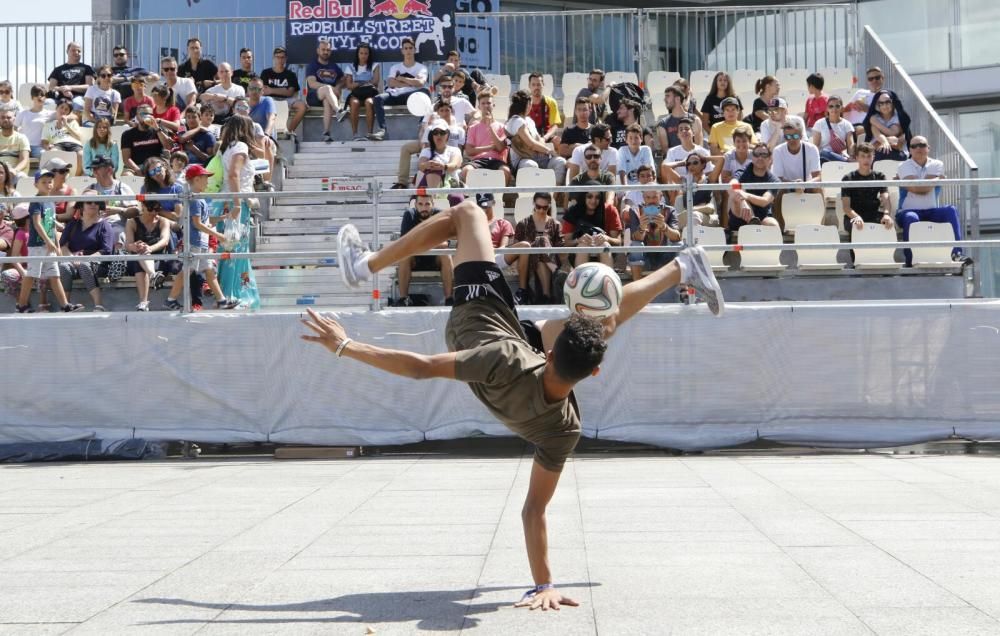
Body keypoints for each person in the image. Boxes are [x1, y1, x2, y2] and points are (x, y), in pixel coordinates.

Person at [312, 202, 723, 609]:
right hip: (503, 339)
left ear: (547, 353)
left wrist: (345, 344)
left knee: (469, 214)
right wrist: (543, 584)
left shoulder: (508, 357)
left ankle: (364, 266)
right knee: (604, 325)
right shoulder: (565, 431)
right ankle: (684, 267)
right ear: (590, 376)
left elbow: (421, 368)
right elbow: (533, 511)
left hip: (479, 317)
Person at [163, 164, 238, 310]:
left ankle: (222, 301)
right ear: (196, 180)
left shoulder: (199, 199)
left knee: (209, 270)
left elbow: (206, 221)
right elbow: (197, 224)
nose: (207, 182)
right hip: (195, 242)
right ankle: (170, 300)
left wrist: (224, 217)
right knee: (187, 271)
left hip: (200, 242)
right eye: (205, 178)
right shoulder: (196, 200)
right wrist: (218, 235)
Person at [15, 168, 84, 313]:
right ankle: (21, 304)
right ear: (36, 184)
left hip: (50, 246)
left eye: (50, 181)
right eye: (44, 182)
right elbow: (37, 223)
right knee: (31, 275)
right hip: (37, 246)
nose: (48, 184)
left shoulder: (50, 202)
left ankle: (65, 305)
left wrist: (57, 245)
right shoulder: (36, 201)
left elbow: (51, 224)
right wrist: (48, 242)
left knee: (55, 275)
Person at [214, 115, 260, 309]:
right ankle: (235, 294)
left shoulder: (225, 147)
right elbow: (234, 175)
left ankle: (227, 293)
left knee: (228, 249)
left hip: (224, 202)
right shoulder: (240, 146)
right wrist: (238, 203)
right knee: (236, 250)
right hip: (235, 203)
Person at [896, 136, 964, 266]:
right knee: (911, 217)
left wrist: (917, 184)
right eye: (914, 146)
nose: (918, 148)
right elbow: (921, 189)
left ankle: (956, 254)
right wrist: (937, 179)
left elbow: (921, 187)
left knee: (951, 210)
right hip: (907, 211)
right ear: (909, 150)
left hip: (931, 211)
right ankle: (911, 260)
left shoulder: (937, 164)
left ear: (928, 148)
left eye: (921, 145)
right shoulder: (903, 165)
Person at [58, 193, 116, 311]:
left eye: (97, 202)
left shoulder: (105, 226)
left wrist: (85, 259)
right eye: (89, 202)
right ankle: (67, 306)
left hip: (98, 264)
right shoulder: (73, 224)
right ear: (81, 205)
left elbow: (106, 251)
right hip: (74, 262)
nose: (93, 204)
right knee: (64, 267)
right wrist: (72, 258)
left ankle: (98, 305)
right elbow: (62, 245)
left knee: (84, 266)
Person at [393, 193, 454, 307]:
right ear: (415, 205)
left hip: (435, 258)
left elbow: (444, 243)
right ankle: (403, 298)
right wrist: (432, 241)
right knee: (404, 256)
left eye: (427, 204)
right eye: (420, 204)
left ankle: (449, 298)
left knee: (446, 254)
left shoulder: (440, 214)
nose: (424, 207)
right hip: (415, 258)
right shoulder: (409, 214)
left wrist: (418, 241)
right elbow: (405, 242)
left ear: (433, 204)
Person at [125, 199, 179, 311]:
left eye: (157, 209)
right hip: (138, 259)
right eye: (150, 209)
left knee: (142, 256)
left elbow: (165, 241)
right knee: (140, 257)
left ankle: (143, 303)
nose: (154, 212)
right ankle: (153, 276)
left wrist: (149, 248)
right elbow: (128, 245)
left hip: (158, 260)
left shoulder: (163, 221)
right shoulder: (132, 222)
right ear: (142, 206)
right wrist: (136, 246)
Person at [371, 38, 429, 141]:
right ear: (402, 51)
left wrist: (401, 79)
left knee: (425, 92)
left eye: (410, 48)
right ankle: (382, 130)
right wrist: (412, 82)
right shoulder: (395, 67)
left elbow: (420, 83)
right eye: (405, 48)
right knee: (378, 98)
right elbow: (391, 82)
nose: (408, 51)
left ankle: (422, 125)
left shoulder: (421, 68)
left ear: (414, 50)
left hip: (412, 97)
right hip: (395, 95)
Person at [505, 90, 566, 185]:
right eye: (530, 103)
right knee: (531, 165)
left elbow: (539, 139)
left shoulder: (529, 120)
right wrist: (549, 151)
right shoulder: (516, 121)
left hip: (539, 157)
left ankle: (554, 195)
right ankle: (535, 197)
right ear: (528, 104)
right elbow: (531, 144)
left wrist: (542, 149)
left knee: (560, 162)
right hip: (523, 160)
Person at [513, 192, 563, 304]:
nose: (541, 210)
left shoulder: (555, 224)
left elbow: (560, 249)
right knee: (540, 240)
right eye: (538, 207)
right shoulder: (523, 223)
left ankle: (546, 296)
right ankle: (555, 272)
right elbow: (516, 249)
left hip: (550, 260)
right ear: (533, 204)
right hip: (529, 263)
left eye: (544, 208)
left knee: (541, 244)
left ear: (549, 206)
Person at [624, 186, 681, 281]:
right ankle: (638, 287)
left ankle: (681, 289)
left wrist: (663, 226)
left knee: (680, 245)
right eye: (648, 197)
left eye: (654, 197)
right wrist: (642, 228)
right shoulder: (635, 210)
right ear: (643, 198)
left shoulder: (670, 210)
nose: (651, 201)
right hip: (645, 258)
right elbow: (636, 239)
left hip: (665, 256)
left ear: (661, 196)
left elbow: (677, 237)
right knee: (636, 245)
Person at [840, 142, 893, 241]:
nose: (866, 159)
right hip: (853, 215)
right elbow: (846, 207)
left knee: (888, 224)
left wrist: (886, 214)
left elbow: (886, 199)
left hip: (873, 214)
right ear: (857, 158)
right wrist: (856, 217)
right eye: (863, 156)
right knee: (856, 226)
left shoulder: (880, 176)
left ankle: (884, 255)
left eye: (869, 156)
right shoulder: (848, 178)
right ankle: (856, 256)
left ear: (873, 157)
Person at [561, 183, 622, 268]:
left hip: (606, 251)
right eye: (589, 196)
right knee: (583, 246)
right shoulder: (573, 212)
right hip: (578, 253)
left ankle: (607, 279)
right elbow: (566, 242)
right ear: (583, 196)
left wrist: (607, 238)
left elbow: (618, 241)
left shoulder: (610, 210)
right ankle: (581, 279)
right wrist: (578, 240)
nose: (593, 201)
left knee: (604, 245)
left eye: (597, 197)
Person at [728, 142, 781, 232]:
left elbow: (764, 201)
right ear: (752, 157)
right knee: (735, 194)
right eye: (756, 154)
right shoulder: (743, 173)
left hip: (762, 217)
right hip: (740, 216)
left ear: (770, 158)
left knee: (773, 224)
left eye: (764, 154)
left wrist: (746, 196)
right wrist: (743, 201)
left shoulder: (774, 180)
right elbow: (732, 185)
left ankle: (755, 224)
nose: (760, 158)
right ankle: (752, 223)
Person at [460, 91, 509, 185]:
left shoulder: (501, 127)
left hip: (496, 160)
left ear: (493, 105)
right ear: (479, 107)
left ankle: (499, 198)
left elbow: (500, 148)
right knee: (466, 170)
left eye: (489, 103)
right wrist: (490, 147)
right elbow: (469, 151)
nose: (486, 106)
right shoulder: (473, 127)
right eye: (483, 103)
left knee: (505, 171)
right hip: (478, 161)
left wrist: (490, 127)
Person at [305, 40, 346, 143]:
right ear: (318, 51)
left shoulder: (334, 66)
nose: (325, 52)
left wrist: (338, 86)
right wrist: (331, 88)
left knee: (327, 100)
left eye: (328, 50)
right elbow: (312, 84)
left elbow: (343, 81)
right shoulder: (313, 65)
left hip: (328, 97)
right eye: (323, 49)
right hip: (314, 96)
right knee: (327, 89)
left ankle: (326, 133)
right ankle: (338, 111)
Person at [260, 46, 307, 135]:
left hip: (286, 100)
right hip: (271, 100)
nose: (280, 60)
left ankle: (289, 131)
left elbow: (290, 92)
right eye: (278, 57)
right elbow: (264, 91)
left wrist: (271, 90)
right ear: (274, 58)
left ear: (286, 59)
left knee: (302, 106)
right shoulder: (266, 73)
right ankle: (266, 132)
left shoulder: (290, 74)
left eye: (282, 57)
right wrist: (282, 90)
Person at [343, 43, 381, 141]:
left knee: (369, 102)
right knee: (354, 103)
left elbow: (375, 82)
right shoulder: (350, 67)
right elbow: (349, 85)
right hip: (356, 94)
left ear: (369, 55)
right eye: (361, 53)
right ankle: (355, 134)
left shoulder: (375, 66)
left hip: (370, 93)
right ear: (357, 54)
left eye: (366, 53)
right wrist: (365, 82)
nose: (363, 56)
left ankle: (370, 133)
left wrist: (358, 82)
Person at [86, 154, 139, 222]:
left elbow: (135, 212)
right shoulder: (91, 188)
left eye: (96, 168)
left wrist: (118, 210)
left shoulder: (121, 187)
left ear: (109, 170)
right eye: (92, 169)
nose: (94, 172)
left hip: (116, 226)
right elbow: (81, 211)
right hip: (94, 227)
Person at [121, 104, 171, 175]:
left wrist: (157, 128)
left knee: (158, 172)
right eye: (143, 114)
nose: (147, 116)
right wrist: (138, 170)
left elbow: (168, 146)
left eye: (150, 114)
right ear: (137, 117)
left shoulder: (159, 130)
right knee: (127, 175)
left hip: (156, 165)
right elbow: (126, 159)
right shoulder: (128, 134)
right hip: (137, 166)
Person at [861, 89, 911, 162]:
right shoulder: (874, 118)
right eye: (881, 103)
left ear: (893, 102)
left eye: (887, 102)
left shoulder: (899, 118)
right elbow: (877, 134)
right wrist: (885, 141)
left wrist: (886, 140)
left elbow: (893, 132)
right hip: (876, 151)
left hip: (897, 151)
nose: (884, 106)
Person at [656, 85, 704, 153]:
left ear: (677, 99)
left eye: (668, 96)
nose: (664, 99)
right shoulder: (663, 124)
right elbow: (665, 150)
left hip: (693, 160)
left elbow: (699, 147)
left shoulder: (695, 120)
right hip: (674, 161)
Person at [47, 42, 95, 107]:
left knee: (77, 104)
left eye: (79, 51)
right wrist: (63, 89)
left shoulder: (87, 68)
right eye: (73, 50)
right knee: (47, 103)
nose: (76, 53)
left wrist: (70, 88)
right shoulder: (58, 69)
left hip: (78, 97)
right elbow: (51, 87)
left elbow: (90, 86)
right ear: (67, 51)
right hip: (59, 97)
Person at [416, 120, 463, 188]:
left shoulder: (455, 150)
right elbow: (421, 165)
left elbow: (455, 165)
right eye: (435, 132)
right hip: (429, 182)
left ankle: (433, 195)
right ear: (432, 135)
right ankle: (433, 195)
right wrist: (427, 165)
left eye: (442, 132)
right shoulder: (426, 151)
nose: (439, 135)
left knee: (456, 198)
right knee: (433, 171)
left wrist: (443, 167)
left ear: (447, 135)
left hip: (451, 184)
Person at [811, 95, 854, 164]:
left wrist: (851, 156)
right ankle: (846, 162)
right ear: (827, 109)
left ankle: (845, 161)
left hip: (840, 155)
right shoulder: (819, 123)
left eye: (837, 106)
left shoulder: (847, 124)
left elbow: (851, 144)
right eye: (831, 106)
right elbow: (816, 146)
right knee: (824, 152)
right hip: (824, 158)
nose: (834, 109)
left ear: (842, 108)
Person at [140, 156, 185, 222]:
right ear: (149, 176)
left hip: (171, 224)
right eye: (152, 172)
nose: (157, 173)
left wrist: (156, 210)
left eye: (158, 169)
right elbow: (143, 210)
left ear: (165, 167)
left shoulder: (177, 188)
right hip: (150, 222)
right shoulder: (145, 189)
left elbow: (177, 216)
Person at [15, 85, 53, 158]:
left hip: (39, 147)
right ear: (32, 97)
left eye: (42, 95)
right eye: (36, 94)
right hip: (24, 146)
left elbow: (67, 115)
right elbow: (14, 128)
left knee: (46, 156)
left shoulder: (50, 114)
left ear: (45, 98)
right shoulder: (23, 113)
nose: (39, 97)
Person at [1, 203, 29, 300]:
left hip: (36, 268)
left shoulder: (38, 232)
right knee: (7, 275)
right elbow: (15, 257)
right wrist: (23, 272)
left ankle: (43, 304)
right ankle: (21, 302)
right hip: (23, 268)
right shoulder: (20, 233)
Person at [526, 72, 561, 145]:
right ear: (529, 86)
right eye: (533, 85)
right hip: (528, 136)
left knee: (558, 140)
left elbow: (555, 125)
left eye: (538, 84)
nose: (536, 87)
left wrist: (545, 138)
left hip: (546, 136)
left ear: (543, 85)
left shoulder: (551, 102)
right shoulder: (524, 103)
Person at [845, 66, 884, 130]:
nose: (874, 81)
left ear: (882, 78)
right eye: (870, 79)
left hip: (869, 127)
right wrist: (851, 106)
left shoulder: (886, 96)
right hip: (851, 127)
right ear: (867, 81)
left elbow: (885, 117)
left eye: (877, 78)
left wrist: (865, 108)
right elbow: (846, 109)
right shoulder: (860, 92)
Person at [44, 157, 78, 223]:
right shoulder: (43, 190)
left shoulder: (72, 191)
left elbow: (69, 215)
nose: (66, 174)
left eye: (67, 170)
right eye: (62, 171)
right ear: (51, 173)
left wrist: (49, 217)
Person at [0, 109, 30, 177]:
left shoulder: (22, 138)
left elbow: (24, 160)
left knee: (21, 176)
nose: (5, 120)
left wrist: (15, 170)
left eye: (8, 117)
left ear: (14, 119)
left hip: (14, 172)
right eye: (2, 117)